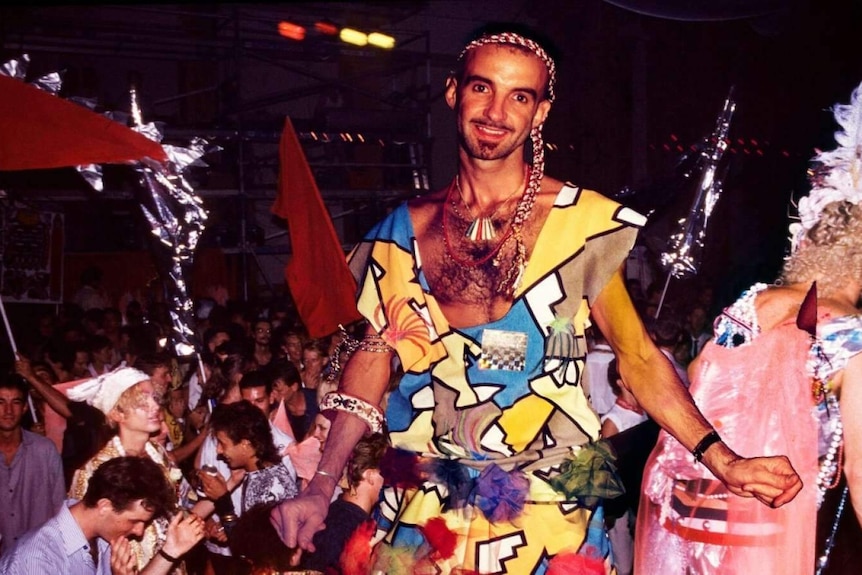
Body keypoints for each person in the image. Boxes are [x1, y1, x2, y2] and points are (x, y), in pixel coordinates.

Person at [271, 24, 802, 574]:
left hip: (547, 512)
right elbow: (374, 357)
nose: (496, 110)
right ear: (454, 92)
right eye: (483, 88)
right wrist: (321, 485)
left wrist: (724, 459)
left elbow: (639, 357)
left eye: (519, 96)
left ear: (540, 113)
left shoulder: (582, 226)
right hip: (424, 513)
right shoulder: (401, 231)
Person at [635, 80, 862, 575]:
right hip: (766, 531)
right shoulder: (853, 336)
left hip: (689, 515)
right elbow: (861, 472)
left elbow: (698, 373)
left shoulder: (754, 302)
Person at [66, 366, 200, 573]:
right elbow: (82, 539)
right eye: (141, 402)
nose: (154, 406)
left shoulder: (158, 453)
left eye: (154, 398)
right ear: (117, 413)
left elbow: (182, 503)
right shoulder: (93, 472)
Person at [0, 455, 204, 575]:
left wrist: (170, 552)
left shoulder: (103, 538)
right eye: (134, 521)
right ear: (105, 506)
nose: (139, 531)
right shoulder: (37, 559)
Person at [0, 376, 65, 556]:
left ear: (25, 408)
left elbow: (59, 509)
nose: (8, 411)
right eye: (1, 402)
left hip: (39, 559)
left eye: (15, 402)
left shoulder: (44, 450)